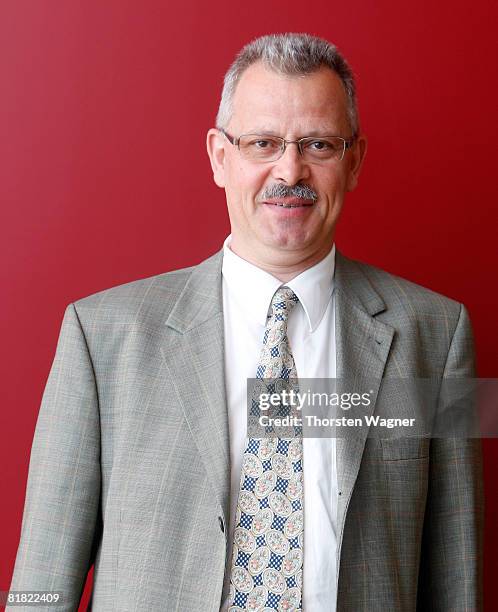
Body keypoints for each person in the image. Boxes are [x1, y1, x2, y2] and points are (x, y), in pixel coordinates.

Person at [7, 33, 483, 612]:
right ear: (219, 156)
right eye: (263, 142)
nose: (291, 170)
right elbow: (40, 583)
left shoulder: (438, 335)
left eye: (318, 144)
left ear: (354, 160)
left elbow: (457, 578)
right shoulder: (100, 337)